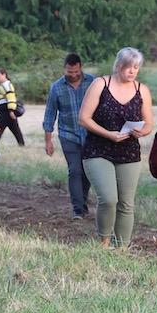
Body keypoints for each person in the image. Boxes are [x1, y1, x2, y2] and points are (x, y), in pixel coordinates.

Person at [79, 47, 154, 248]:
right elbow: (84, 119)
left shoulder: (142, 90)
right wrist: (108, 134)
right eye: (128, 67)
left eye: (136, 67)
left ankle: (121, 247)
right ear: (119, 66)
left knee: (126, 203)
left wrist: (142, 132)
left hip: (129, 151)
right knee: (109, 198)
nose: (132, 71)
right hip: (98, 149)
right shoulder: (100, 84)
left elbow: (148, 124)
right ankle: (104, 241)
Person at [43, 53, 97, 220]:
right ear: (64, 69)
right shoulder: (57, 87)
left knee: (87, 171)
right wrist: (48, 140)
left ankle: (82, 201)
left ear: (80, 67)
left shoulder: (93, 83)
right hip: (68, 134)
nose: (73, 75)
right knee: (75, 170)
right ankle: (77, 209)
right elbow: (50, 113)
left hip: (91, 134)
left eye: (76, 72)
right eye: (69, 72)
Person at [0, 69, 25, 146]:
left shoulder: (6, 85)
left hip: (6, 111)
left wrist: (11, 111)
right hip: (5, 111)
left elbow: (11, 98)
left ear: (4, 75)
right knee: (15, 128)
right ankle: (21, 144)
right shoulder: (2, 85)